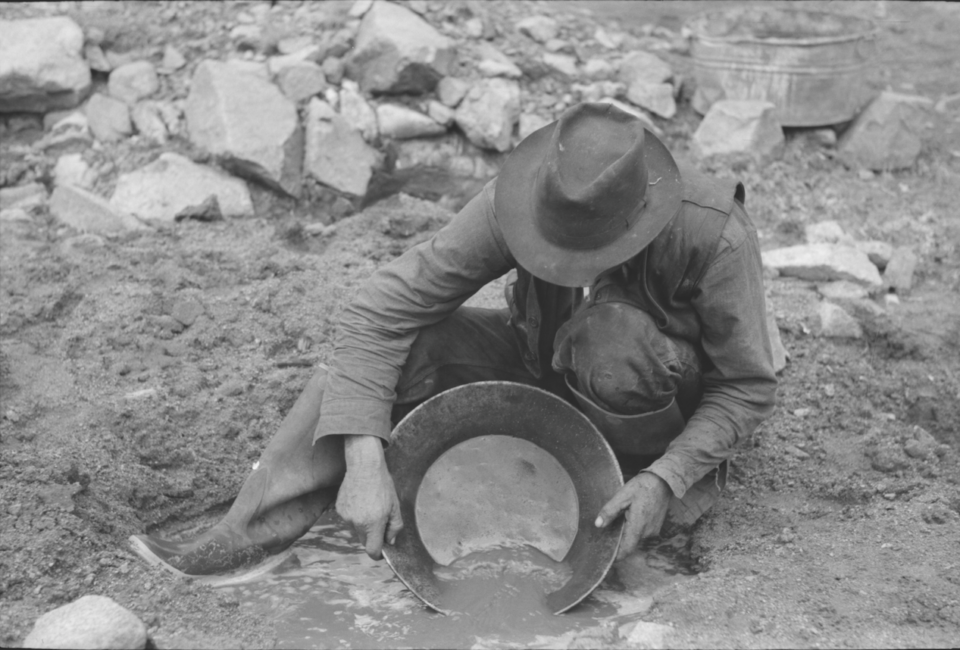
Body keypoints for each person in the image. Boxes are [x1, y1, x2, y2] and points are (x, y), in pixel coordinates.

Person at [130, 102, 777, 575]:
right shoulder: (526, 200)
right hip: (545, 360)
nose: (562, 265)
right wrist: (363, 461)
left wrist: (668, 479)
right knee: (401, 351)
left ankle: (610, 486)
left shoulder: (713, 234)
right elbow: (380, 310)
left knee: (608, 337)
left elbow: (746, 386)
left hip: (657, 402)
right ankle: (261, 527)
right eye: (553, 250)